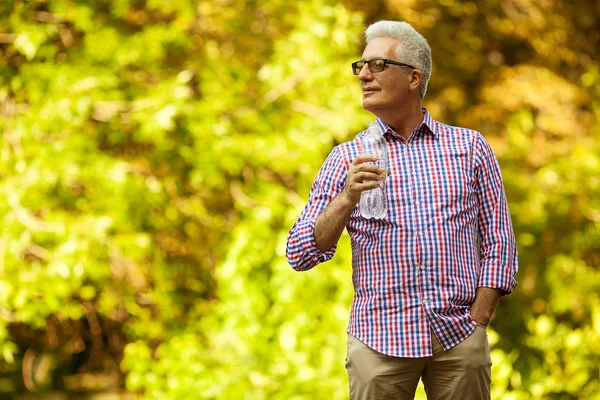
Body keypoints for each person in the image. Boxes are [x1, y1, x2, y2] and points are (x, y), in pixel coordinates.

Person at [286, 20, 518, 400]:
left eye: (377, 65)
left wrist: (480, 317)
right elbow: (299, 252)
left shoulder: (470, 148)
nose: (363, 75)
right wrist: (346, 198)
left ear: (413, 79)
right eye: (359, 66)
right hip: (378, 342)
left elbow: (499, 239)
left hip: (458, 337)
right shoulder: (347, 158)